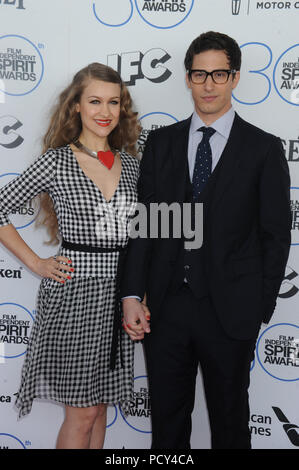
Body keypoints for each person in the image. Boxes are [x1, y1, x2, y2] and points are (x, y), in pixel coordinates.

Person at [121, 31, 291, 449]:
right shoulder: (160, 143)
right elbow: (145, 223)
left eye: (219, 74)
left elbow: (276, 234)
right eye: (200, 74)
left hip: (232, 311)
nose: (209, 84)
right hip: (165, 308)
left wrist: (258, 305)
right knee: (167, 425)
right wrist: (130, 293)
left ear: (234, 77)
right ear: (187, 78)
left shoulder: (264, 149)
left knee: (230, 423)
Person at [0, 63, 148, 449]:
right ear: (76, 107)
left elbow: (140, 239)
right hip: (75, 296)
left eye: (114, 102)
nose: (105, 111)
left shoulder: (132, 166)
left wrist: (138, 294)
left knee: (98, 409)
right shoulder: (57, 160)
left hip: (119, 296)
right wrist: (36, 263)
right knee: (81, 414)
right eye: (95, 101)